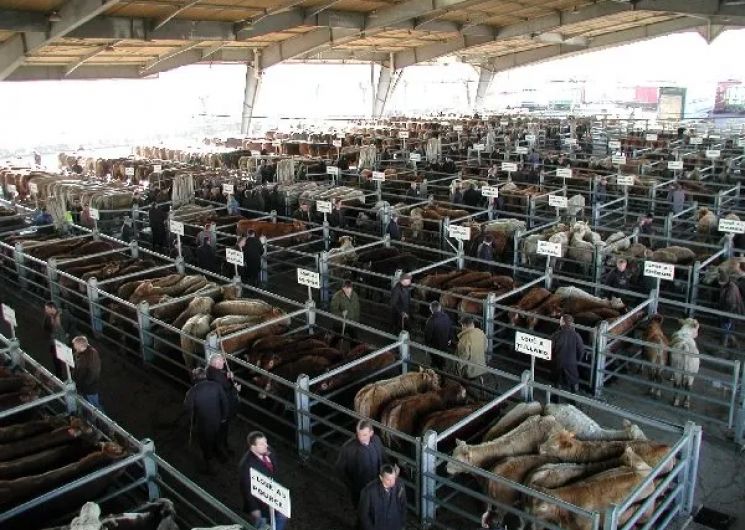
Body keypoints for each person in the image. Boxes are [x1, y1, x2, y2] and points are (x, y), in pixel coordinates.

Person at [239, 432, 287, 530]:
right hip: (260, 503)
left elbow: (275, 472)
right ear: (253, 448)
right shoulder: (247, 466)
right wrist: (254, 509)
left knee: (282, 517)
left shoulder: (269, 452)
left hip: (273, 495)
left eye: (266, 442)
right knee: (261, 525)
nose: (266, 446)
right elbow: (247, 490)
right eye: (261, 444)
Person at [185, 367, 229, 474]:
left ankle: (210, 466)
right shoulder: (216, 386)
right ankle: (222, 455)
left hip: (203, 424)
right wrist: (224, 417)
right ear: (205, 376)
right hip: (218, 420)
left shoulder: (192, 392)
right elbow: (225, 402)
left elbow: (188, 409)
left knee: (206, 444)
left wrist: (191, 422)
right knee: (217, 438)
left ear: (194, 378)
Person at [336, 420, 385, 509]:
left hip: (377, 486)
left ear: (371, 433)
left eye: (364, 435)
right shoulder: (348, 449)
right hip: (360, 491)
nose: (361, 438)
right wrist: (352, 486)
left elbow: (383, 458)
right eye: (359, 434)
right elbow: (339, 469)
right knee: (362, 513)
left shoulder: (377, 441)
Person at [206, 353, 240, 456]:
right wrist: (235, 389)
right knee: (221, 430)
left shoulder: (209, 370)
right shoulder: (217, 377)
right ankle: (219, 450)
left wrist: (226, 375)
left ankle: (223, 446)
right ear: (216, 364)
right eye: (222, 361)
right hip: (221, 409)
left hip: (215, 407)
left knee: (221, 429)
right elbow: (225, 394)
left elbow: (220, 378)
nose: (224, 362)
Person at [358, 464, 406, 530]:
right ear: (381, 478)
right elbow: (363, 515)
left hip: (395, 525)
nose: (392, 482)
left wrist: (402, 524)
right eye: (388, 480)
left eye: (393, 478)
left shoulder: (400, 486)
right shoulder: (369, 492)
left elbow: (403, 505)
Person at [452, 317, 489, 399]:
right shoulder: (481, 333)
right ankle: (482, 388)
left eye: (462, 325)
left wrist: (458, 368)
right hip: (482, 366)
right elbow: (485, 347)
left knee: (461, 380)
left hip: (470, 371)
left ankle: (471, 397)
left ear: (464, 326)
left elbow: (463, 357)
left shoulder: (464, 339)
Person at [551, 314, 585, 393]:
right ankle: (573, 399)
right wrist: (577, 360)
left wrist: (552, 358)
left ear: (562, 322)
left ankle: (556, 398)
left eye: (561, 320)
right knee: (573, 380)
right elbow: (581, 350)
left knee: (557, 380)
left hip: (558, 361)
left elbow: (550, 347)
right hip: (571, 362)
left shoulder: (556, 334)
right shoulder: (576, 335)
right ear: (571, 323)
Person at [43, 301, 77, 380]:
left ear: (52, 308)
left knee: (69, 361)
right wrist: (50, 334)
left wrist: (69, 332)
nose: (46, 310)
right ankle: (59, 377)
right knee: (56, 360)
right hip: (55, 342)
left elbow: (74, 322)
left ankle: (73, 377)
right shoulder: (48, 317)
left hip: (65, 341)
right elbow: (45, 327)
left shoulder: (65, 314)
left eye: (47, 309)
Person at [71, 336, 102, 409]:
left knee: (95, 405)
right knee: (90, 404)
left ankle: (101, 419)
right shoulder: (82, 352)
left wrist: (84, 384)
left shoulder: (92, 355)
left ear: (80, 346)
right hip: (84, 386)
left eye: (75, 346)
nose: (74, 348)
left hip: (90, 387)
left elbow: (94, 373)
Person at [718, 270, 745, 349]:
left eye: (721, 281)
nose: (719, 283)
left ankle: (722, 349)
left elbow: (731, 303)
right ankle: (735, 344)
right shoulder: (728, 285)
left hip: (731, 312)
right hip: (730, 311)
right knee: (728, 329)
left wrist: (726, 314)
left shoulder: (731, 289)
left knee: (725, 329)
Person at [424, 301, 453, 370]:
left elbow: (428, 335)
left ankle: (440, 372)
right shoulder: (446, 316)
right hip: (445, 342)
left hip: (435, 345)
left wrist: (426, 345)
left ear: (431, 309)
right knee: (442, 356)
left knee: (436, 358)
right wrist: (450, 338)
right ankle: (441, 364)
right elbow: (450, 327)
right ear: (440, 308)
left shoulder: (431, 321)